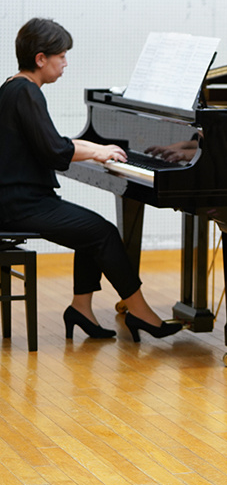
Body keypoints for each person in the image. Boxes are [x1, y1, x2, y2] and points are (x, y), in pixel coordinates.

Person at [0, 18, 183, 343]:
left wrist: (97, 149)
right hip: (20, 205)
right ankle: (140, 312)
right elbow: (55, 151)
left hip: (17, 199)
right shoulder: (27, 93)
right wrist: (97, 152)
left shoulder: (13, 87)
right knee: (103, 232)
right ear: (41, 59)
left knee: (89, 229)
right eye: (61, 56)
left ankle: (81, 308)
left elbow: (50, 142)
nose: (65, 63)